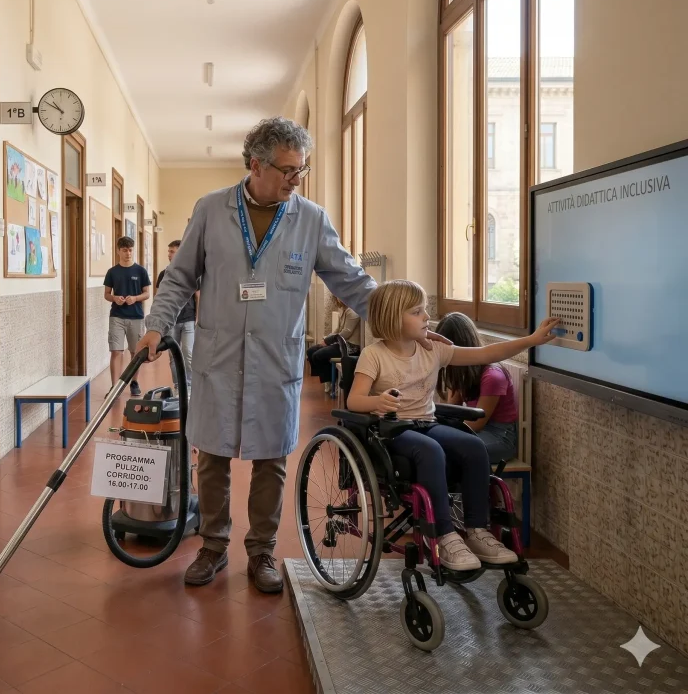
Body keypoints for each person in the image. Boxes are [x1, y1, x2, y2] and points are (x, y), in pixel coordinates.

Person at [136, 117, 451, 593]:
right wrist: (156, 326)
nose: (295, 179)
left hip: (275, 360)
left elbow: (353, 282)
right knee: (213, 457)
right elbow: (179, 278)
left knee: (271, 460)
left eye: (301, 170)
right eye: (287, 169)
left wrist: (405, 321)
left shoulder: (311, 219)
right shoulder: (210, 210)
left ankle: (261, 552)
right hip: (220, 358)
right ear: (255, 164)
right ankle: (213, 546)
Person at [345, 280, 559, 571]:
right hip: (391, 431)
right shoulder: (375, 355)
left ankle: (477, 530)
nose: (426, 317)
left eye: (424, 311)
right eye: (417, 312)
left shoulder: (433, 349)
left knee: (472, 445)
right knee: (431, 450)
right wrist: (377, 402)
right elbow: (353, 401)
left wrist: (531, 340)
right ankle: (445, 535)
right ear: (395, 318)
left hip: (427, 422)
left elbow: (485, 355)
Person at [436, 311, 519, 464]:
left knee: (446, 451)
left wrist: (445, 428)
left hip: (500, 436)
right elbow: (453, 410)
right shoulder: (463, 371)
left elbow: (477, 423)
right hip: (476, 430)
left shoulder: (493, 376)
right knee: (435, 445)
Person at [104, 236, 151, 397]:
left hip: (136, 317)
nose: (128, 253)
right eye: (124, 250)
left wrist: (135, 298)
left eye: (130, 250)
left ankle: (134, 382)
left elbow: (147, 293)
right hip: (117, 316)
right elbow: (106, 294)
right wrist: (115, 298)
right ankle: (114, 387)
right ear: (118, 251)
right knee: (116, 351)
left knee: (135, 352)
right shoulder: (112, 272)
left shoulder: (140, 271)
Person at [156, 240, 199, 396]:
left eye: (172, 251)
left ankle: (189, 386)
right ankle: (177, 386)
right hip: (171, 321)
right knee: (174, 356)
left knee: (188, 353)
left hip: (188, 319)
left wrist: (197, 317)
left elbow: (197, 296)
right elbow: (159, 297)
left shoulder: (192, 273)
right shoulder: (164, 274)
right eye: (168, 251)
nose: (169, 255)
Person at [306, 296, 362, 394]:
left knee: (318, 355)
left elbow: (346, 332)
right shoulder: (345, 310)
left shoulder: (352, 311)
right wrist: (327, 338)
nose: (338, 299)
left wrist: (328, 341)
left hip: (350, 347)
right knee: (311, 351)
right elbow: (338, 329)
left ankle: (332, 381)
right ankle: (326, 378)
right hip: (341, 342)